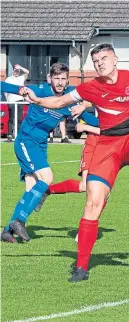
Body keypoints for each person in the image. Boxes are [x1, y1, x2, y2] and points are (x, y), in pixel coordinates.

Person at [21, 43, 129, 283]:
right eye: (95, 61)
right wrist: (37, 100)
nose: (100, 63)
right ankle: (81, 268)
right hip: (106, 147)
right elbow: (59, 103)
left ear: (115, 59)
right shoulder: (89, 88)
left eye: (104, 58)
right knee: (93, 203)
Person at [1, 63, 98, 244]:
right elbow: (3, 86)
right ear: (49, 79)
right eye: (56, 78)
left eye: (63, 79)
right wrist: (19, 89)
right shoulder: (39, 90)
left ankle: (7, 231)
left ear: (67, 79)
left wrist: (89, 110)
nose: (60, 83)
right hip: (26, 141)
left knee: (31, 190)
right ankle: (19, 221)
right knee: (47, 177)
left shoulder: (70, 97)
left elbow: (91, 99)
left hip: (41, 146)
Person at [5, 64, 30, 141]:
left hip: (20, 100)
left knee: (19, 119)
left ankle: (19, 135)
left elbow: (27, 72)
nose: (17, 72)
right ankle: (9, 135)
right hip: (11, 101)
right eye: (15, 70)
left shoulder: (21, 78)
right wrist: (7, 100)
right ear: (13, 70)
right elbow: (5, 90)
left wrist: (20, 67)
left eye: (18, 71)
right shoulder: (8, 79)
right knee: (11, 118)